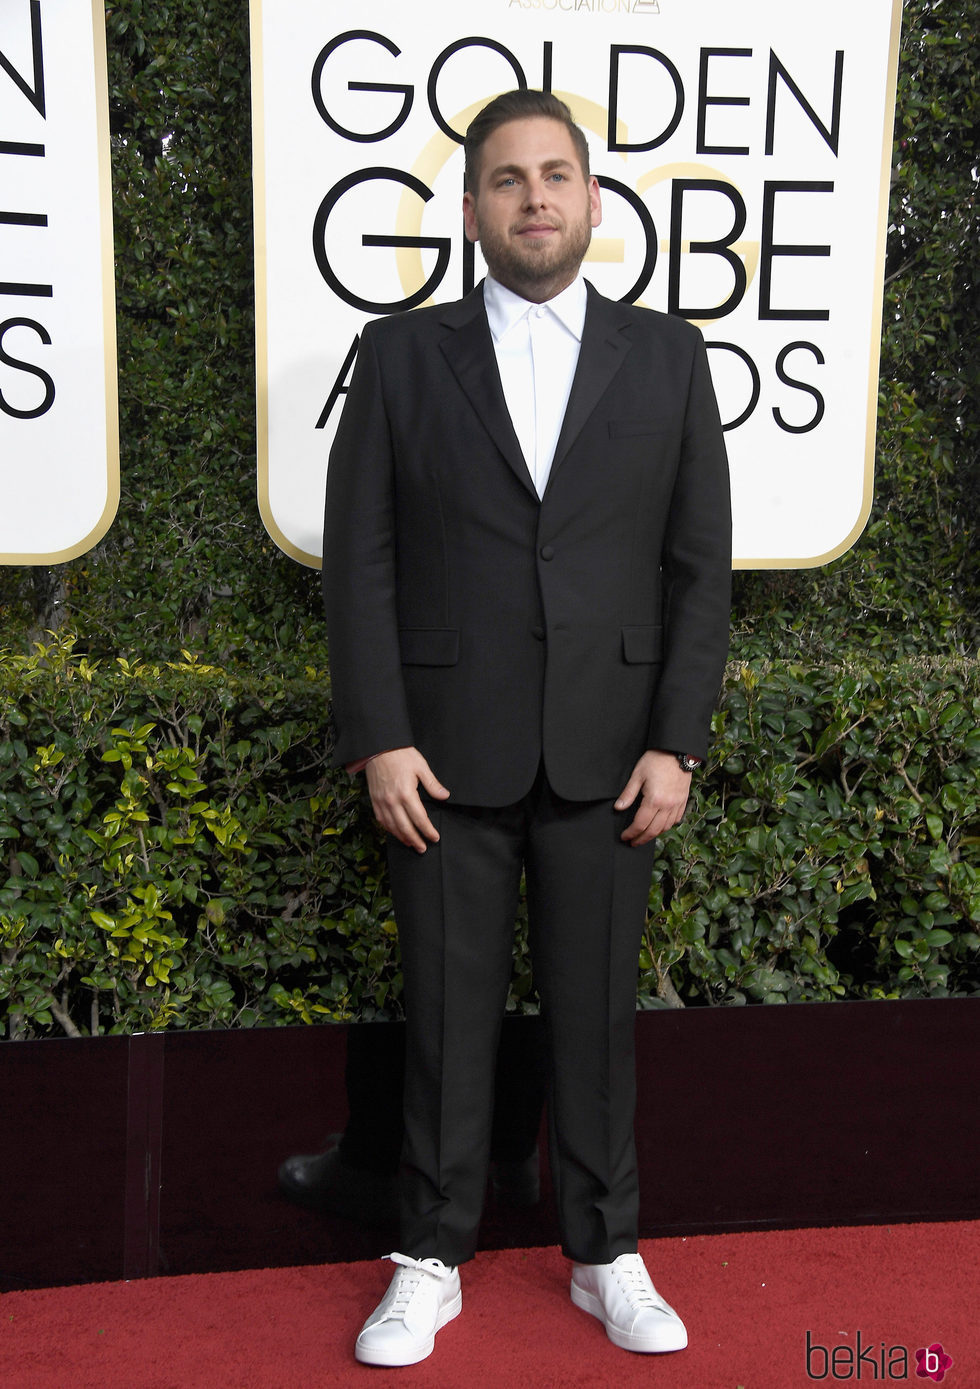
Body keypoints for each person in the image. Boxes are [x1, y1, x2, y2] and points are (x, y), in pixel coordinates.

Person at [322, 88, 731, 1368]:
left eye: (555, 174)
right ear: (471, 207)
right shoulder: (398, 356)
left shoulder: (667, 356)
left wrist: (678, 739)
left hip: (614, 751)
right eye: (507, 178)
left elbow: (696, 569)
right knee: (444, 1017)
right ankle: (431, 1255)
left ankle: (604, 1253)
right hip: (438, 751)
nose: (534, 196)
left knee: (596, 1015)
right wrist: (378, 732)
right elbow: (360, 560)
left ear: (593, 200)